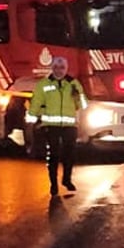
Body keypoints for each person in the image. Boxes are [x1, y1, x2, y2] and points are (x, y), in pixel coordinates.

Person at [27, 56, 87, 196]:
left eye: (62, 68)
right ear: (52, 68)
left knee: (69, 154)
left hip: (69, 125)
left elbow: (83, 105)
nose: (59, 71)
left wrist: (78, 96)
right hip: (51, 125)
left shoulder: (73, 83)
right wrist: (32, 117)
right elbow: (36, 102)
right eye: (56, 68)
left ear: (66, 69)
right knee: (53, 155)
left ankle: (67, 180)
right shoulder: (44, 84)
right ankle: (53, 184)